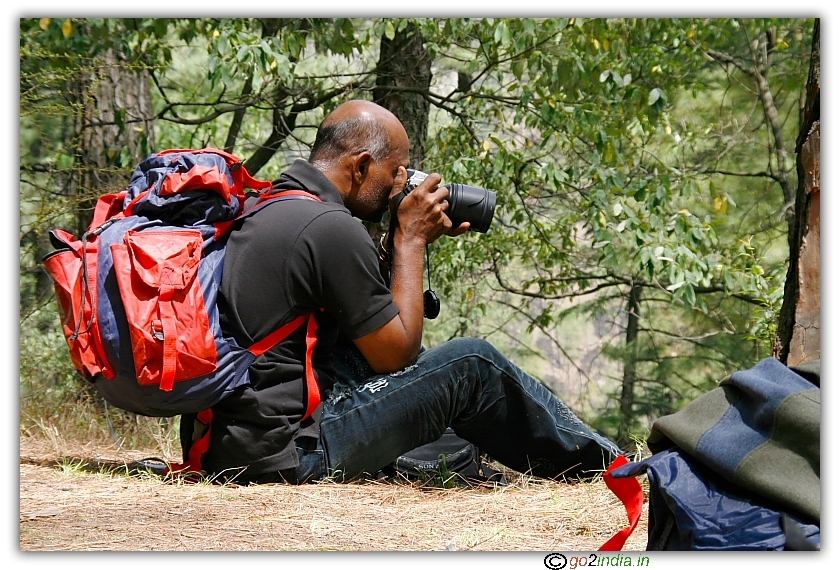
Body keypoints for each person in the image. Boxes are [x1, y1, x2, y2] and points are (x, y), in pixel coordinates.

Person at [193, 100, 621, 484]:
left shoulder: (269, 205)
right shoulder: (330, 228)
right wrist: (411, 241)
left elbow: (366, 323)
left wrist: (397, 239)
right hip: (291, 453)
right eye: (396, 172)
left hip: (229, 446)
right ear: (360, 167)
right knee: (471, 362)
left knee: (367, 354)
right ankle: (612, 465)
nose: (403, 185)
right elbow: (396, 353)